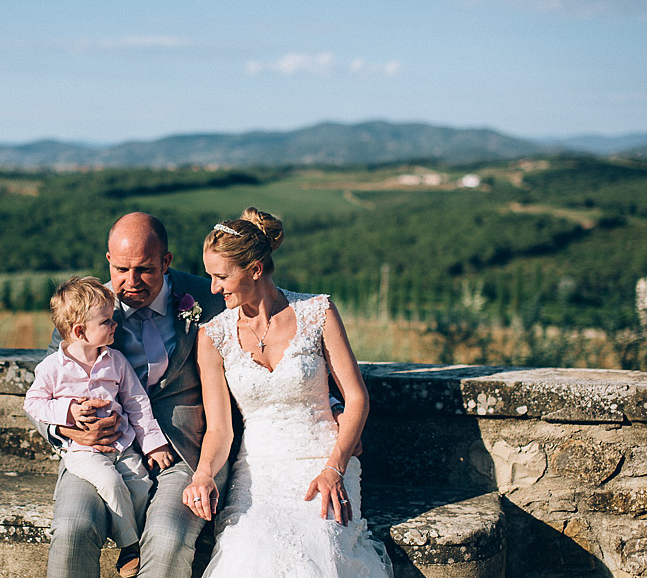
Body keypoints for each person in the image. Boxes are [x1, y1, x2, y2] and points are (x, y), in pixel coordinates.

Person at [182, 208, 394, 577]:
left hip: (324, 461)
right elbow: (220, 430)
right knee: (247, 550)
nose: (214, 288)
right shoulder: (212, 336)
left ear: (255, 269)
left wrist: (334, 467)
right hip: (259, 472)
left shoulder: (318, 312)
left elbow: (357, 398)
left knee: (319, 546)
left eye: (221, 276)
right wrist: (202, 475)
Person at [27, 212, 226, 578]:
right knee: (72, 529)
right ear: (108, 260)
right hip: (95, 450)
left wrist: (331, 403)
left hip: (180, 453)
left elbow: (270, 329)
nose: (130, 282)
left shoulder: (207, 298)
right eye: (120, 269)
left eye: (144, 270)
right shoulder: (82, 311)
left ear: (166, 262)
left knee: (167, 539)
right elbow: (44, 394)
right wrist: (66, 426)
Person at [24, 276, 174, 576]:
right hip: (82, 451)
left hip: (121, 444)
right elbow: (33, 403)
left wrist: (153, 443)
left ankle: (131, 531)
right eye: (107, 321)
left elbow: (136, 402)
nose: (115, 324)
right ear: (80, 331)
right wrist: (68, 411)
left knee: (141, 484)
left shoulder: (115, 361)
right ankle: (129, 546)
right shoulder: (52, 368)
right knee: (110, 482)